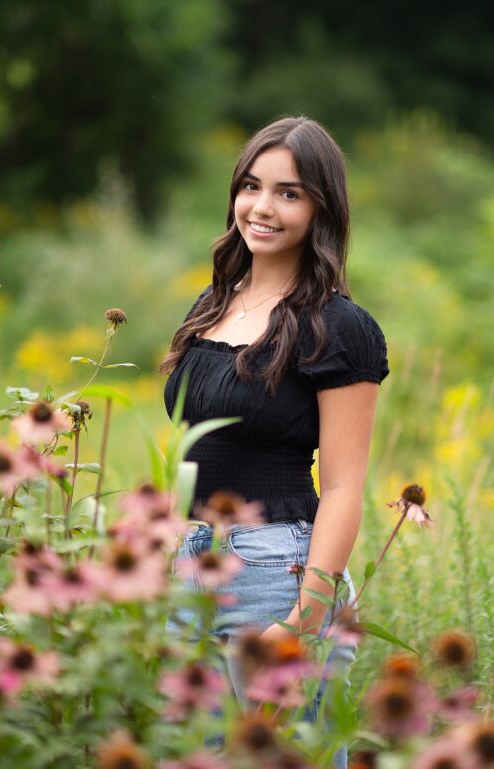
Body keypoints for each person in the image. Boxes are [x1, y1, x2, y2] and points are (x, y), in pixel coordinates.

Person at [160, 116, 388, 769]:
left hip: (273, 573)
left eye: (289, 193)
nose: (262, 207)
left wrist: (305, 617)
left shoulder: (338, 327)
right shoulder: (212, 304)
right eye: (252, 186)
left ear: (321, 207)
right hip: (188, 567)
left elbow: (344, 485)